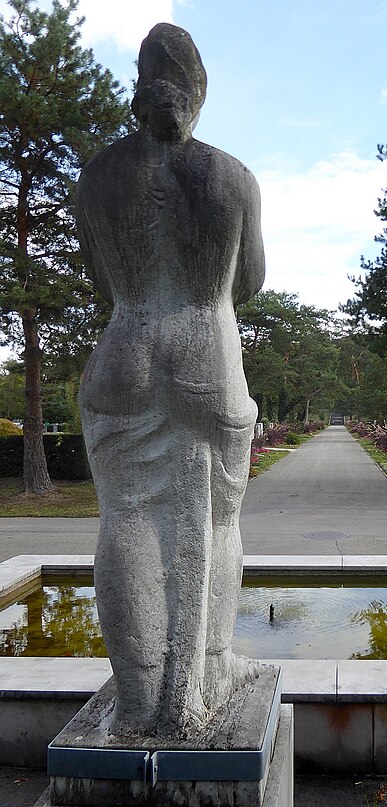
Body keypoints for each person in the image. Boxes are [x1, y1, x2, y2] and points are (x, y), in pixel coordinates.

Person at [76, 23, 265, 738]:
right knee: (216, 520)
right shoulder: (232, 178)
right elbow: (248, 280)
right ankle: (205, 674)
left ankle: (138, 696)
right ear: (199, 89)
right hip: (206, 360)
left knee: (125, 518)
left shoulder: (96, 178)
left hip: (125, 354)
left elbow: (101, 276)